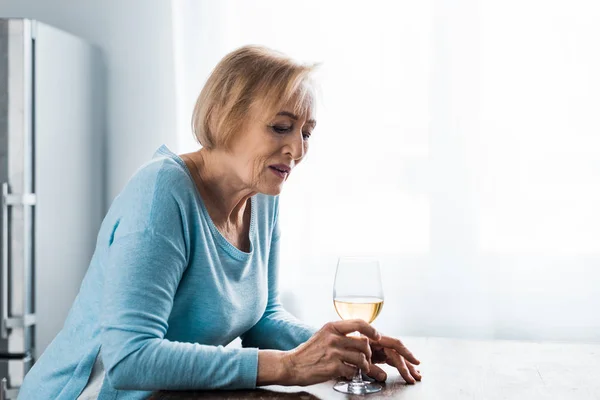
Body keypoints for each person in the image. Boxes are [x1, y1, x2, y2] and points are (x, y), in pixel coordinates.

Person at [17, 45, 421, 400]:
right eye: (281, 127)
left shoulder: (262, 196)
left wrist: (342, 348)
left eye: (306, 133)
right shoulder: (162, 192)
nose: (297, 149)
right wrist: (288, 367)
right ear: (224, 115)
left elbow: (263, 319)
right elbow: (130, 358)